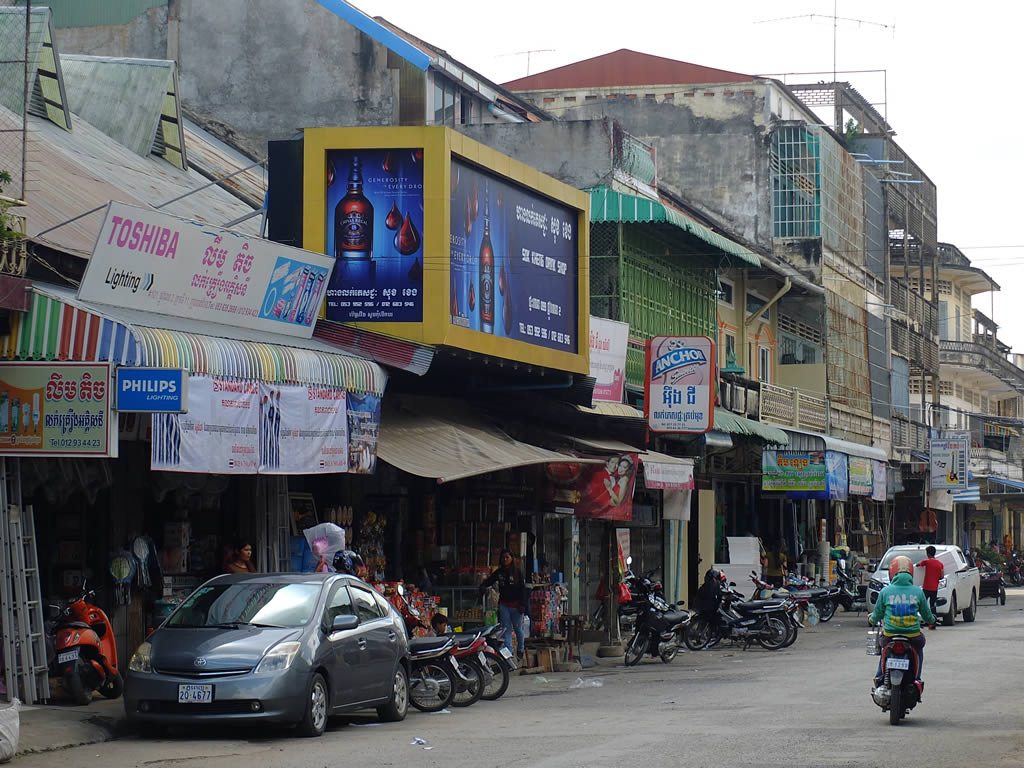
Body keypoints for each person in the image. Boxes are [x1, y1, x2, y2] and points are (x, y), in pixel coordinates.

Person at [869, 555, 935, 689]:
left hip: (890, 635)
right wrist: (932, 620)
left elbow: (877, 614)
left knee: (884, 650)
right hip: (913, 636)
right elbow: (927, 615)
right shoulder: (918, 592)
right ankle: (917, 678)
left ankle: (880, 676)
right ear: (911, 573)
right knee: (919, 648)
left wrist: (871, 619)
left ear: (892, 573)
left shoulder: (885, 591)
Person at [479, 549, 529, 661]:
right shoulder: (499, 572)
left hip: (517, 606)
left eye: (507, 557)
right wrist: (483, 586)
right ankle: (509, 654)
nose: (505, 559)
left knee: (518, 629)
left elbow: (523, 589)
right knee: (506, 630)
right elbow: (490, 581)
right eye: (503, 557)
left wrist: (523, 604)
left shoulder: (517, 573)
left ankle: (520, 648)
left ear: (511, 559)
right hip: (504, 605)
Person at [917, 546, 944, 623]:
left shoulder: (926, 562)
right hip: (934, 588)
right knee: (933, 604)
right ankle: (933, 618)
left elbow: (918, 565)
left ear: (928, 554)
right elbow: (942, 576)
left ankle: (922, 617)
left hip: (926, 587)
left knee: (922, 603)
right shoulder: (940, 564)